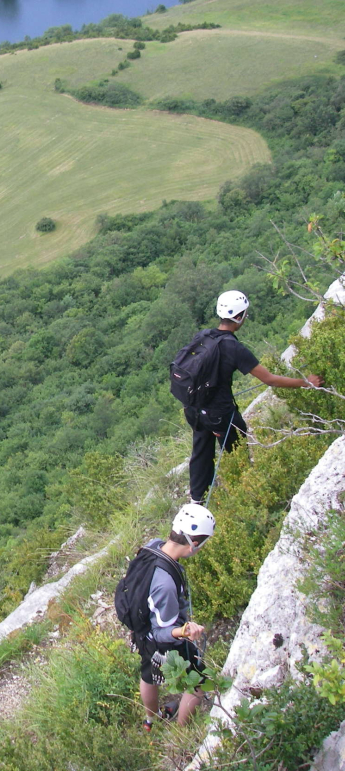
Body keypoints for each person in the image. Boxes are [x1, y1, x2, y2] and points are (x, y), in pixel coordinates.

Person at [185, 290, 324, 503]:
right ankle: (246, 496)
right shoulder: (234, 347)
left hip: (195, 408)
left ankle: (197, 499)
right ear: (239, 318)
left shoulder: (203, 336)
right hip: (221, 414)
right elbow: (270, 379)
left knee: (201, 452)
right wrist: (306, 383)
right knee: (237, 452)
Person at [139, 504, 216, 731]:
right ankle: (181, 731)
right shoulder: (166, 586)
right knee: (200, 682)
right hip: (160, 638)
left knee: (148, 674)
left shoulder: (153, 545)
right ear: (193, 544)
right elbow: (164, 632)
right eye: (203, 542)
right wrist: (185, 631)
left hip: (142, 630)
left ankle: (150, 720)